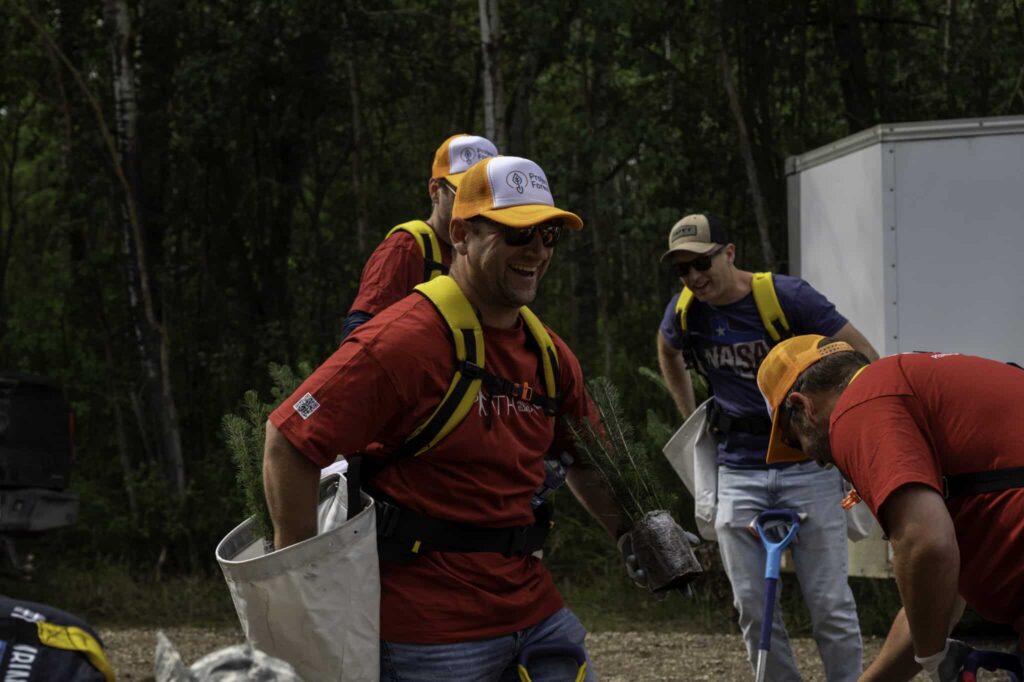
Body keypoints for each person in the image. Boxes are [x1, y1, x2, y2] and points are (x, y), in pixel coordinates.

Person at [264, 155, 633, 681]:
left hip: (534, 610)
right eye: (516, 233)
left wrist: (634, 533)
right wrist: (302, 582)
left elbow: (587, 460)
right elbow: (289, 439)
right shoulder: (403, 342)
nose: (536, 251)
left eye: (549, 236)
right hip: (428, 632)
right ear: (460, 234)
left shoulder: (549, 355)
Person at [655, 213, 878, 682]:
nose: (695, 277)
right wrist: (689, 414)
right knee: (754, 609)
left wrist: (850, 431)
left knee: (830, 606)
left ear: (729, 253)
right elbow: (667, 349)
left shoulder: (786, 298)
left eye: (702, 262)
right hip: (737, 467)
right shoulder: (685, 311)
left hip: (808, 467)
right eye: (683, 269)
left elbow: (863, 358)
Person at [757, 336, 1024, 682]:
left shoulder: (859, 406)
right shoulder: (907, 386)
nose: (817, 460)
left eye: (794, 442)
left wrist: (933, 657)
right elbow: (936, 584)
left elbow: (924, 544)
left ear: (803, 405)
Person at [340, 133, 498, 338]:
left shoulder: (486, 254)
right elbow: (360, 330)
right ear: (435, 190)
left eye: (481, 194)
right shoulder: (405, 249)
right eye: (461, 192)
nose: (473, 205)